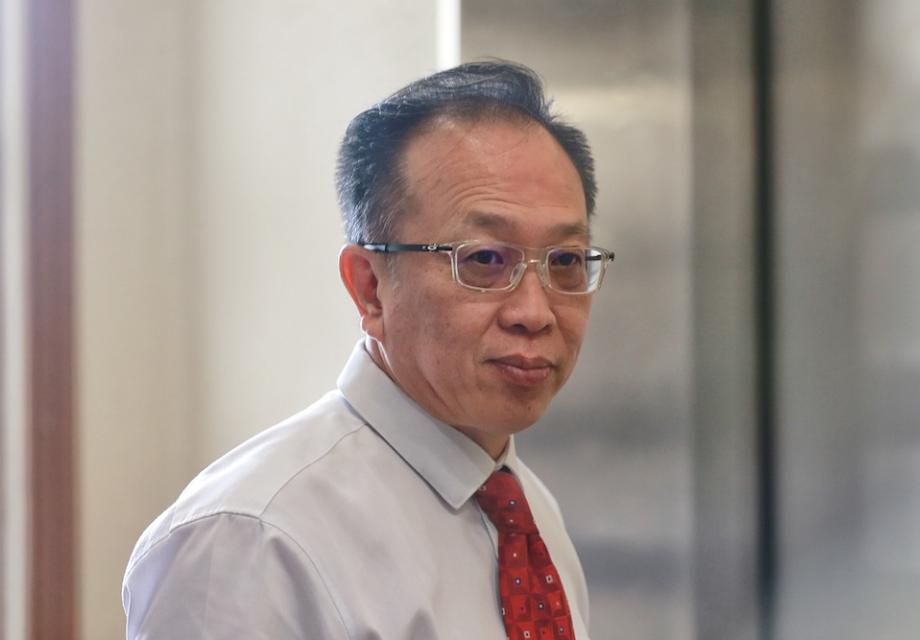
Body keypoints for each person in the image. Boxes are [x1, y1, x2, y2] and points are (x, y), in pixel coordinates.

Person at [122, 60, 614, 640]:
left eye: (564, 261)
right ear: (370, 287)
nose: (534, 312)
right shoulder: (252, 541)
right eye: (484, 260)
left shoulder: (528, 512)